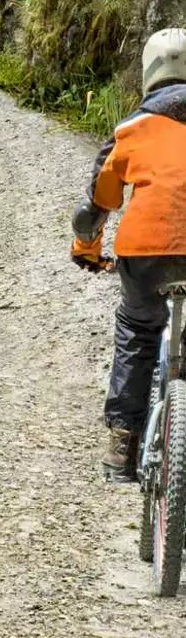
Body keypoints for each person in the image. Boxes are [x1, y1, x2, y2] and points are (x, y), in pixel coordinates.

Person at [71, 27, 186, 482]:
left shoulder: (131, 131)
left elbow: (93, 209)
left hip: (144, 251)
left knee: (138, 334)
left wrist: (87, 250)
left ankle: (122, 446)